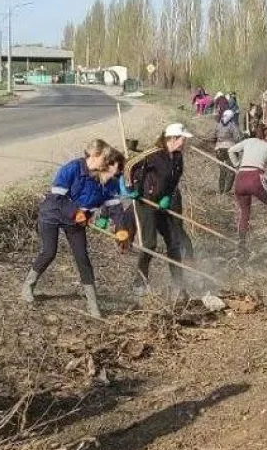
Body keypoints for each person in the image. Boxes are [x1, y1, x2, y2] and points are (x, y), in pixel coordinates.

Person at [21, 140, 127, 319]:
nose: (116, 174)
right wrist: (75, 212)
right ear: (100, 160)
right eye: (112, 167)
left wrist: (122, 232)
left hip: (76, 222)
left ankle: (93, 305)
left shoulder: (108, 183)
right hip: (52, 214)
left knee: (82, 258)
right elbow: (57, 197)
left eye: (117, 170)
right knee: (49, 252)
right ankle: (28, 286)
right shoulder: (71, 169)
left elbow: (116, 210)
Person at [128, 123, 192, 299]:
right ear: (172, 139)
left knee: (173, 242)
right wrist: (132, 187)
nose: (184, 142)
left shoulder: (178, 157)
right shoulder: (153, 154)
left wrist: (168, 196)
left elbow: (174, 181)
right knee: (149, 244)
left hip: (162, 203)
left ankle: (178, 285)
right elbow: (130, 167)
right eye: (183, 139)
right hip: (146, 202)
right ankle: (139, 283)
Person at [228, 124, 267, 250]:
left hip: (240, 178)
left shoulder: (248, 141)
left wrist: (236, 164)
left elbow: (231, 150)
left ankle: (242, 242)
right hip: (255, 178)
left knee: (244, 212)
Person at [209, 109, 242, 194]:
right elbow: (238, 138)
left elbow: (213, 137)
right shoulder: (233, 125)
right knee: (231, 171)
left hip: (219, 150)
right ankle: (226, 191)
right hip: (230, 150)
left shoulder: (218, 125)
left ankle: (221, 190)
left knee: (222, 170)